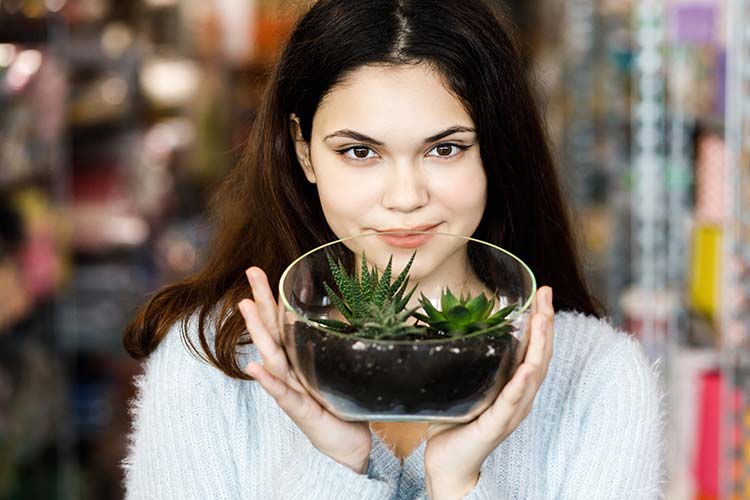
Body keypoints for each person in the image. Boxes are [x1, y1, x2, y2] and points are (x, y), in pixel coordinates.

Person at [121, 0, 664, 498]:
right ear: (305, 153)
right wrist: (334, 467)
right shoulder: (212, 365)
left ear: (495, 151)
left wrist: (457, 482)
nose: (406, 198)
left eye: (445, 149)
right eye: (360, 152)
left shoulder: (597, 378)